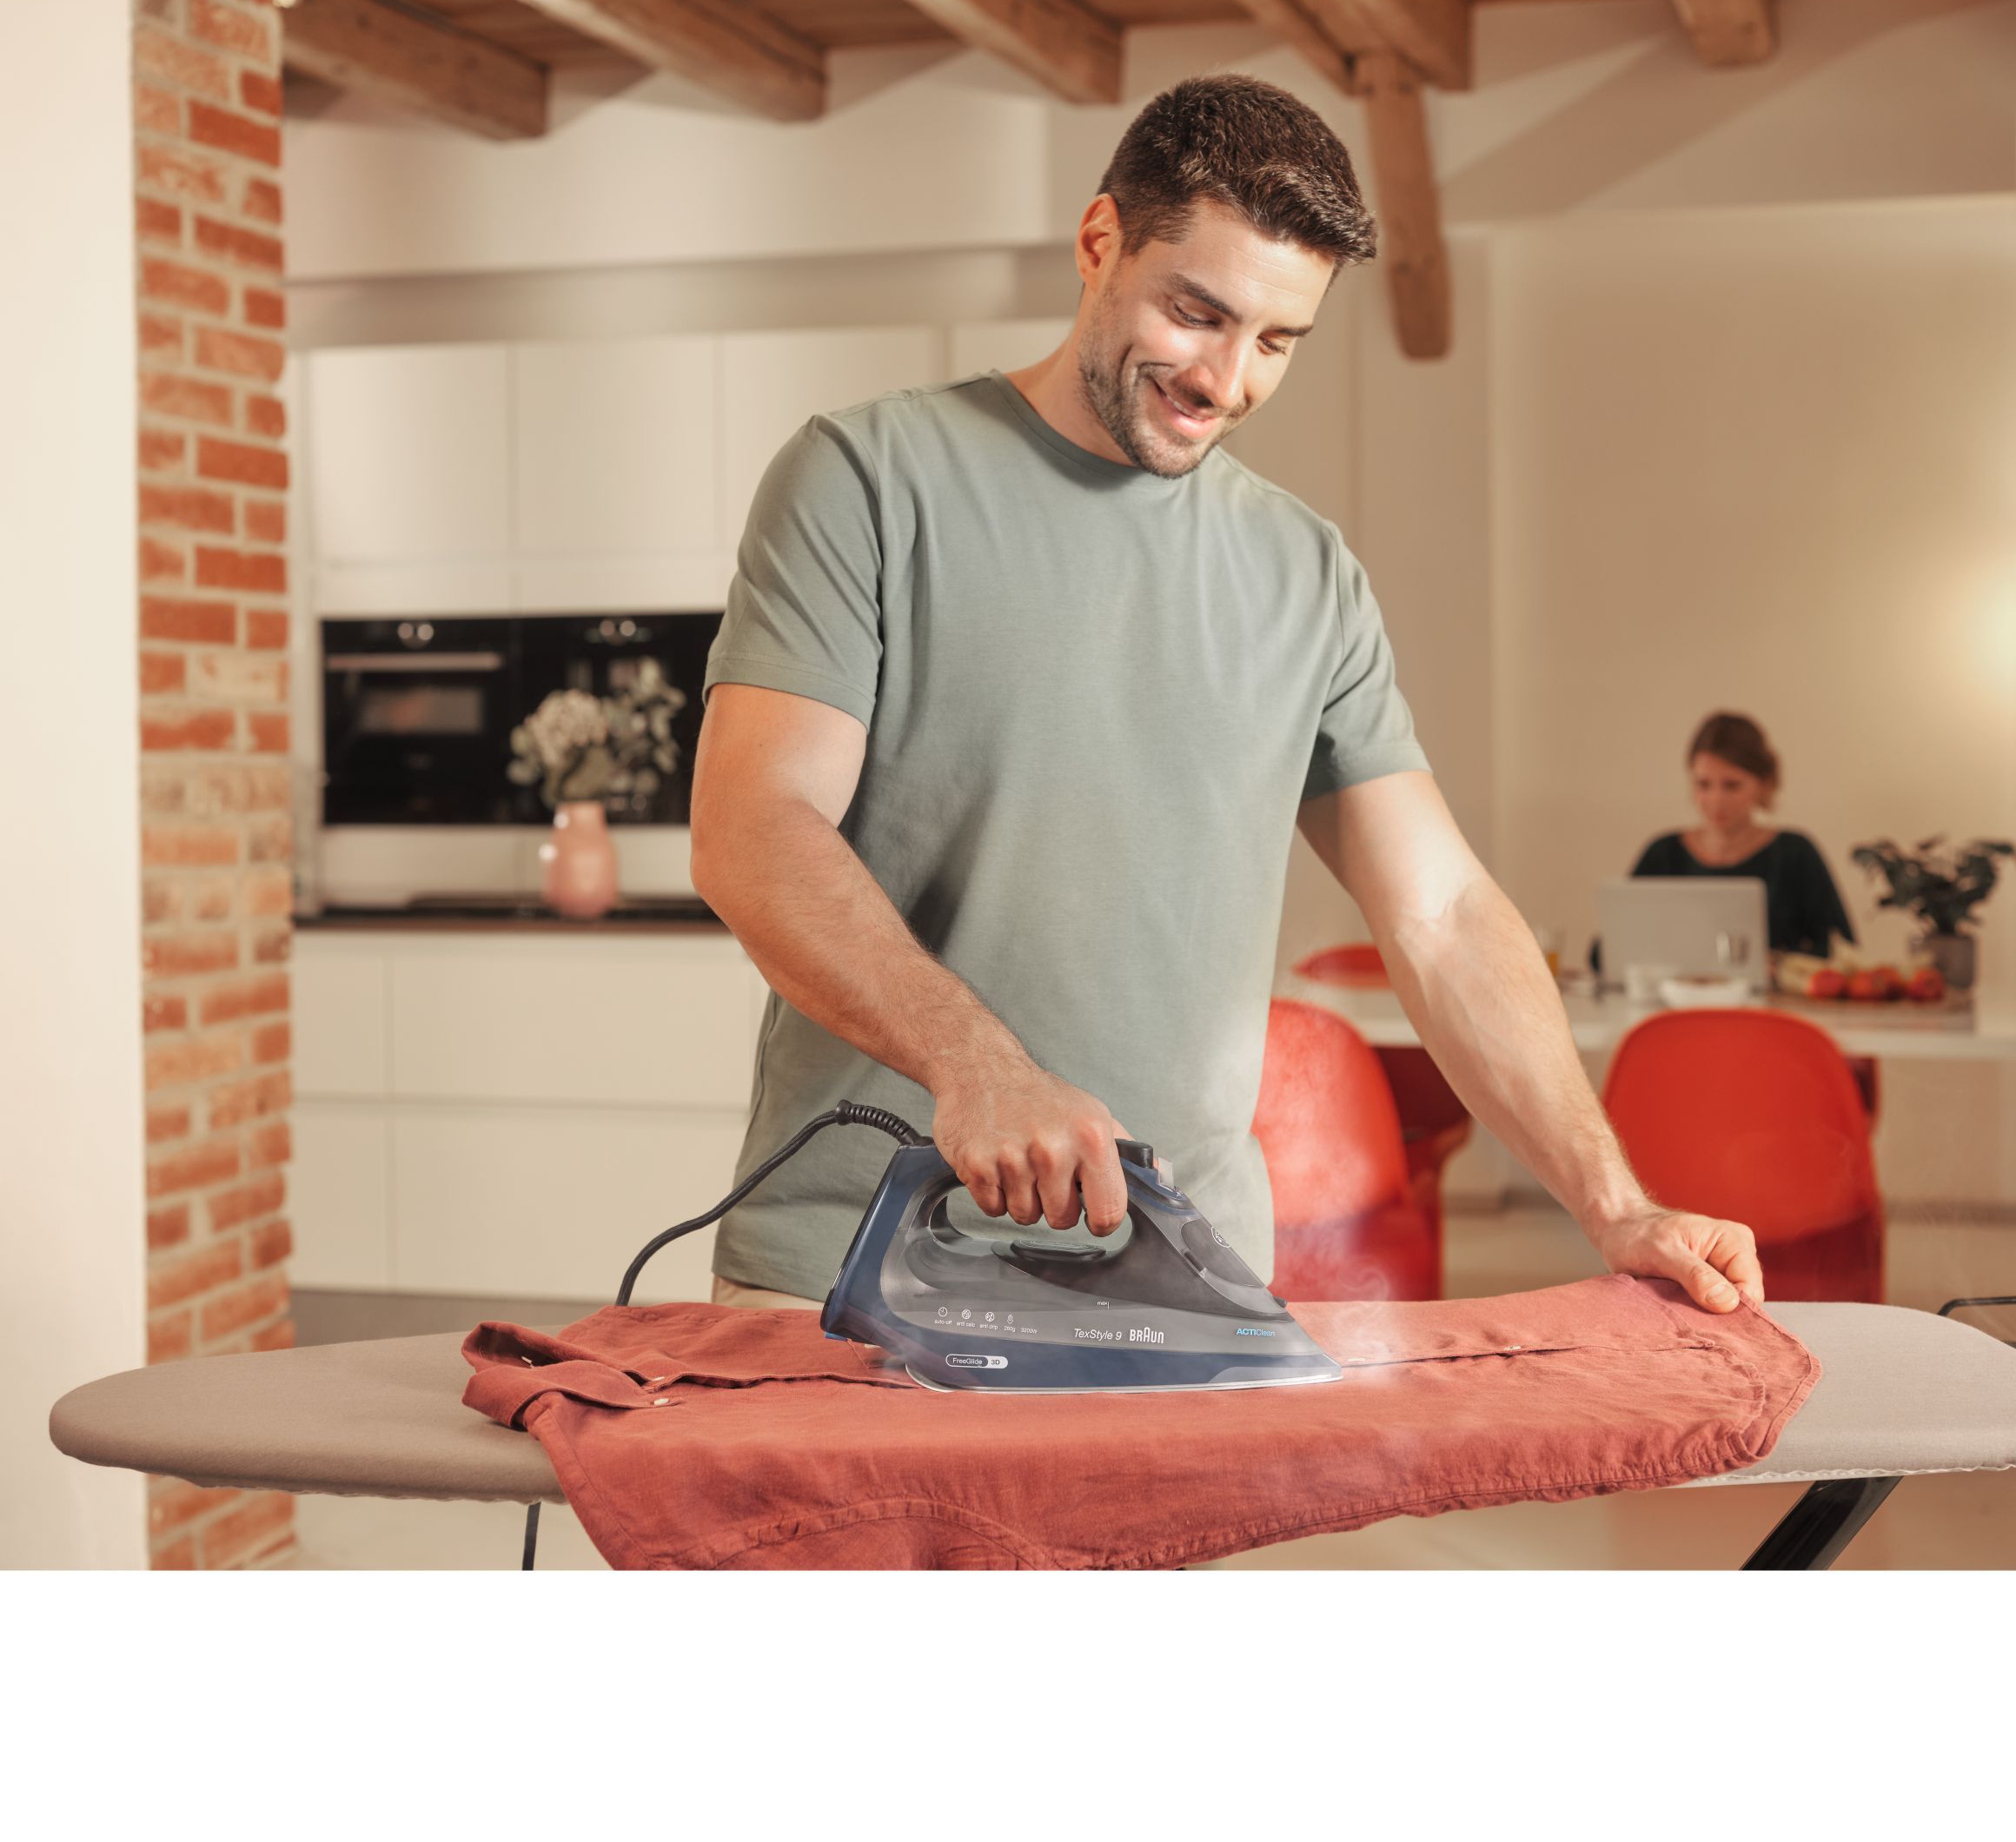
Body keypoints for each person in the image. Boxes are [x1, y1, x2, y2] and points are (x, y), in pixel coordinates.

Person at [688, 74, 1763, 1319]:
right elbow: (754, 827)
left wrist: (1614, 1202)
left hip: (1182, 1282)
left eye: (1278, 342)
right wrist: (978, 1065)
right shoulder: (868, 481)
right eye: (1197, 314)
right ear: (1100, 242)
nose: (1228, 379)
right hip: (857, 1267)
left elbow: (1442, 913)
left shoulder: (1305, 573)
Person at [1622, 712, 1855, 960]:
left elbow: (1842, 948)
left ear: (1764, 784)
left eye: (1731, 785)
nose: (1716, 800)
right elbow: (1610, 948)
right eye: (1704, 784)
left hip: (1774, 987)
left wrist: (1779, 964)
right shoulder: (1662, 854)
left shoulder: (1795, 853)